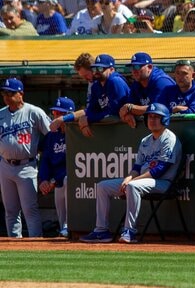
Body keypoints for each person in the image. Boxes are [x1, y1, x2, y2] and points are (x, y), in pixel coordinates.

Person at [80, 103, 182, 244]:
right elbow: (137, 167)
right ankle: (101, 230)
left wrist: (131, 181)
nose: (152, 120)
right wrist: (128, 178)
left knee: (132, 186)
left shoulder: (169, 139)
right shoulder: (145, 140)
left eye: (157, 117)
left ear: (165, 120)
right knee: (103, 186)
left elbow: (159, 171)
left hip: (163, 183)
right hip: (143, 180)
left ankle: (130, 231)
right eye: (150, 117)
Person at [0, 78, 50, 238]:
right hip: (5, 166)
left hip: (27, 165)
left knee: (29, 208)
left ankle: (36, 243)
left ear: (21, 93)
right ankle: (14, 245)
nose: (7, 96)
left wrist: (44, 154)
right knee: (10, 210)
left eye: (11, 93)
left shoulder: (34, 112)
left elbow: (50, 134)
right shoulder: (1, 114)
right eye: (4, 93)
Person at [54, 54, 130, 138]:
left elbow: (114, 112)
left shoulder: (114, 81)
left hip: (127, 130)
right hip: (113, 133)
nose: (85, 79)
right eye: (95, 68)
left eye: (86, 75)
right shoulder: (96, 86)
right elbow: (90, 110)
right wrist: (82, 118)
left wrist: (88, 119)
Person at [40, 96, 74, 238]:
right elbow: (45, 159)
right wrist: (44, 180)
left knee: (66, 180)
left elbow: (73, 164)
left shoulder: (76, 134)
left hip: (69, 179)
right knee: (61, 185)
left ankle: (68, 226)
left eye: (60, 113)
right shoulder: (51, 136)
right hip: (56, 181)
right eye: (55, 113)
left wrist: (53, 181)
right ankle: (63, 228)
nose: (56, 116)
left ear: (68, 115)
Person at [118, 52, 177, 128]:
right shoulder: (137, 83)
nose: (134, 71)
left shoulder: (162, 82)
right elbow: (127, 107)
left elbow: (156, 109)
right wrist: (128, 114)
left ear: (149, 67)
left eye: (137, 67)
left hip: (172, 125)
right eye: (132, 67)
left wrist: (130, 108)